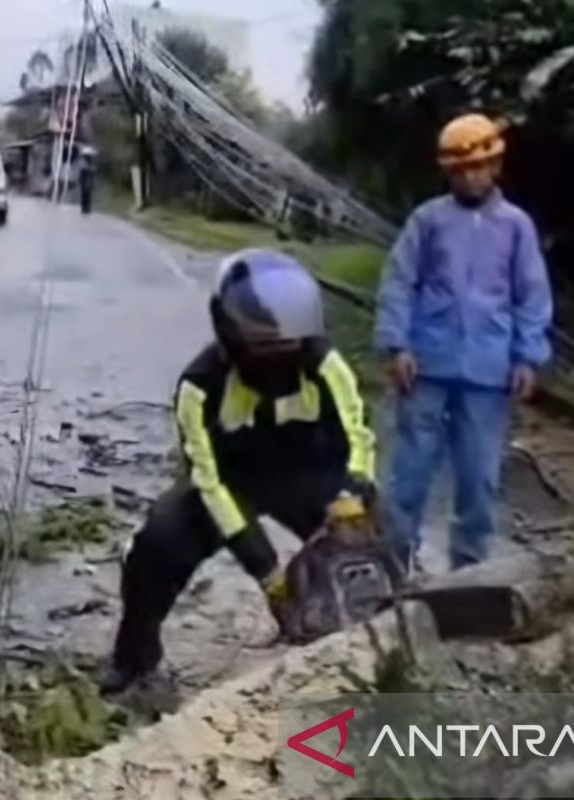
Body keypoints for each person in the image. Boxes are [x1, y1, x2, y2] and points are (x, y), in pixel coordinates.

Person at [101, 249, 379, 694]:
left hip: (310, 477)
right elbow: (210, 483)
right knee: (156, 547)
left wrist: (353, 495)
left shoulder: (326, 365)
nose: (280, 354)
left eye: (290, 343)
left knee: (376, 550)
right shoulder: (199, 387)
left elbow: (359, 434)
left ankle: (369, 645)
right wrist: (266, 570)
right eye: (264, 344)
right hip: (231, 485)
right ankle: (134, 661)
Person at [374, 112, 554, 573]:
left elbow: (532, 295)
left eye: (478, 167)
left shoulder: (516, 227)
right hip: (426, 366)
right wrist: (397, 344)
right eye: (460, 171)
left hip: (488, 371)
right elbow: (399, 281)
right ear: (448, 173)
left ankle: (469, 573)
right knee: (410, 471)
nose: (470, 178)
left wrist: (527, 357)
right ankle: (395, 564)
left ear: (496, 166)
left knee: (479, 477)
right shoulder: (428, 221)